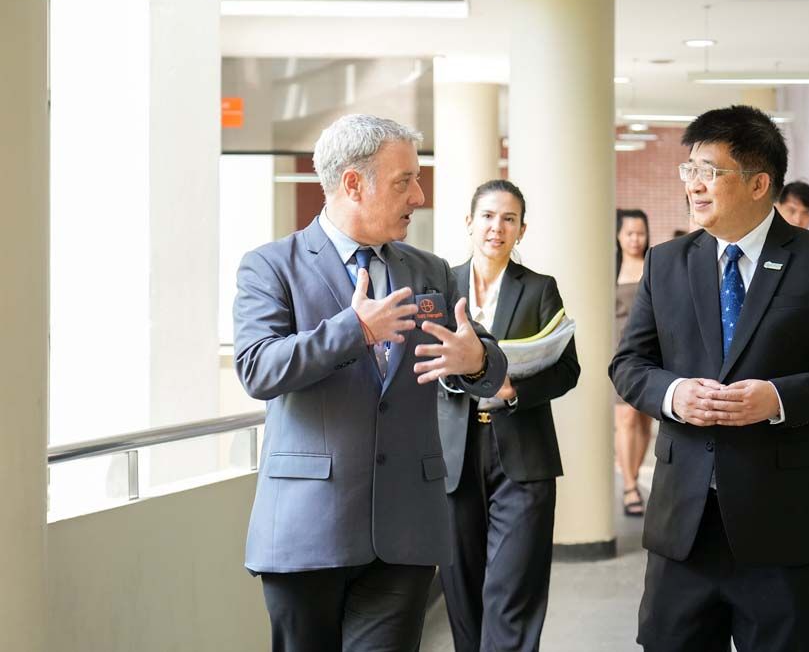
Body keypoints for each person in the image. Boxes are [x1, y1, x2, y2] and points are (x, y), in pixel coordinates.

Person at [610, 105, 809, 651]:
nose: (694, 184)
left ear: (759, 184)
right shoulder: (666, 263)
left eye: (709, 171)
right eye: (689, 169)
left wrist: (778, 398)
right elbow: (629, 365)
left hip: (786, 525)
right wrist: (675, 394)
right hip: (684, 527)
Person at [233, 114, 507, 652]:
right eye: (405, 181)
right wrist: (353, 330)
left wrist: (477, 360)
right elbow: (258, 368)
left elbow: (488, 367)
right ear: (354, 184)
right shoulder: (271, 266)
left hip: (405, 529)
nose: (419, 196)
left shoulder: (429, 270)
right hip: (306, 529)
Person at [437, 179, 580, 652]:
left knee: (513, 591)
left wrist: (513, 387)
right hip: (454, 456)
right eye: (487, 216)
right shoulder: (440, 286)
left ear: (521, 229)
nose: (496, 228)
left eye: (509, 219)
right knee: (462, 592)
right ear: (469, 222)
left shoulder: (539, 288)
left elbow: (567, 370)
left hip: (522, 453)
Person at [614, 208, 654, 516]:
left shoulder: (653, 265)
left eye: (640, 233)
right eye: (629, 233)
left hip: (650, 353)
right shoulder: (609, 268)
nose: (635, 239)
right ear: (618, 235)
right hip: (617, 354)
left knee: (643, 420)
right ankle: (629, 486)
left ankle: (635, 474)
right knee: (626, 417)